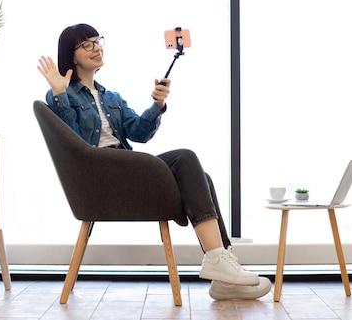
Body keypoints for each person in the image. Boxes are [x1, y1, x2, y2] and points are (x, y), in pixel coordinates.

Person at [37, 23, 271, 300]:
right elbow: (72, 144)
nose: (97, 47)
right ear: (71, 55)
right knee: (184, 157)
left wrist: (157, 106)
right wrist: (61, 94)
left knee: (201, 177)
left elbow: (138, 133)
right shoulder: (61, 95)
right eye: (86, 44)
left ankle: (223, 269)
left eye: (97, 41)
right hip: (101, 176)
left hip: (127, 168)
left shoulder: (111, 97)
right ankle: (218, 260)